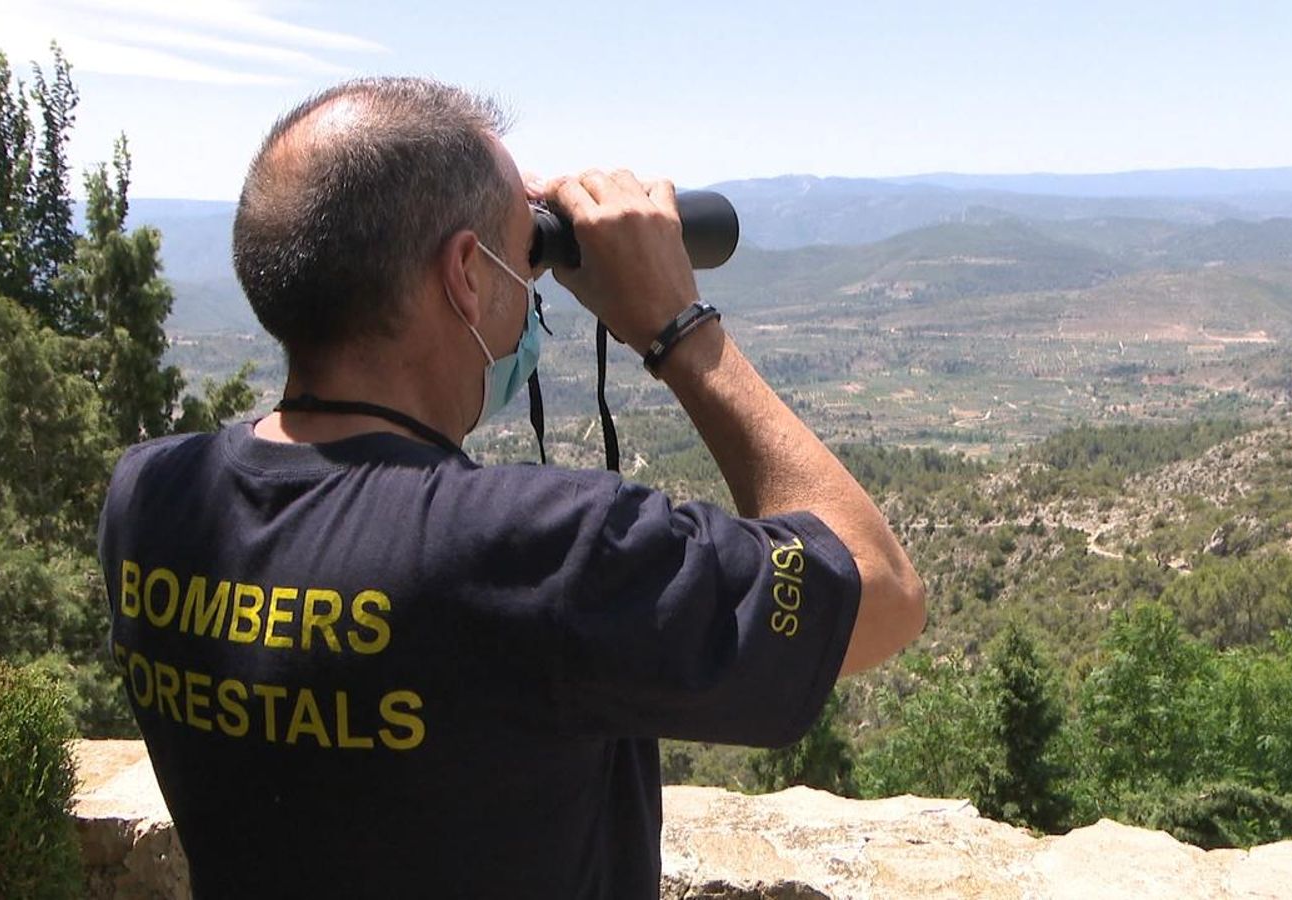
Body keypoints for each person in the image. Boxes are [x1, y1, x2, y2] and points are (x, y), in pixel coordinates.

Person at [98, 77, 925, 899]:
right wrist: (678, 324)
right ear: (464, 272)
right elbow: (880, 592)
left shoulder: (153, 499)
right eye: (521, 251)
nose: (530, 287)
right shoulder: (537, 549)